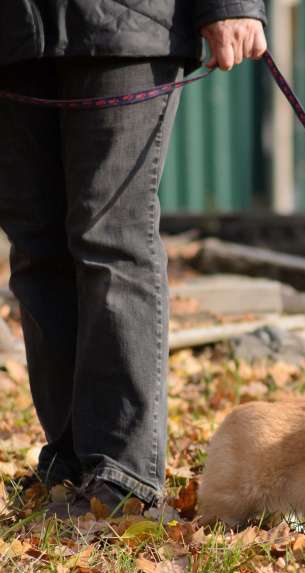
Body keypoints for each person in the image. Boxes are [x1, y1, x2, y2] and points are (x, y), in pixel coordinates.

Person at [0, 1, 267, 517]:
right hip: (15, 30)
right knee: (36, 248)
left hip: (125, 22)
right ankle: (73, 457)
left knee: (110, 236)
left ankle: (123, 475)